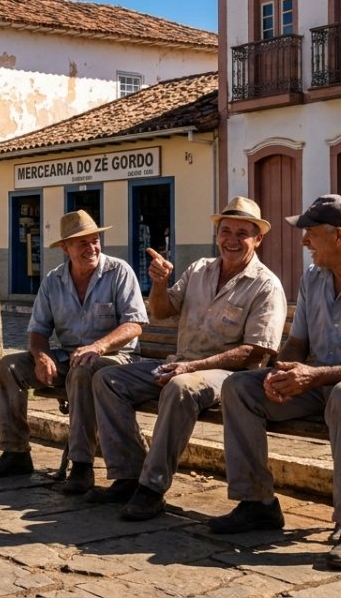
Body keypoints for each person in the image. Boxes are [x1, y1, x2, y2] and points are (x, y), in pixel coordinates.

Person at [208, 194, 341, 571]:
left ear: (338, 236)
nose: (304, 241)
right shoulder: (314, 276)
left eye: (310, 233)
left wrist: (315, 376)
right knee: (239, 388)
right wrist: (282, 371)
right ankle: (257, 503)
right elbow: (298, 343)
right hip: (326, 384)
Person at [91, 196, 287, 520]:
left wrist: (192, 367)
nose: (232, 240)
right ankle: (128, 475)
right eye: (226, 231)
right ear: (217, 234)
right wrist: (159, 283)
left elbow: (255, 351)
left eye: (242, 233)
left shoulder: (265, 285)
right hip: (180, 363)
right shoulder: (199, 269)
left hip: (229, 375)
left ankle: (152, 488)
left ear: (258, 239)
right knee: (107, 379)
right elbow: (161, 311)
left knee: (180, 387)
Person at [0, 210, 148, 494]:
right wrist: (41, 356)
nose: (91, 248)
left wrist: (98, 346)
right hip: (70, 356)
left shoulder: (119, 272)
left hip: (117, 359)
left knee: (83, 369)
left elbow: (134, 325)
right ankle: (15, 452)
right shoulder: (53, 281)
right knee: (10, 367)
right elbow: (38, 330)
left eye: (94, 240)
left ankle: (81, 465)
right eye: (82, 243)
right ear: (65, 248)